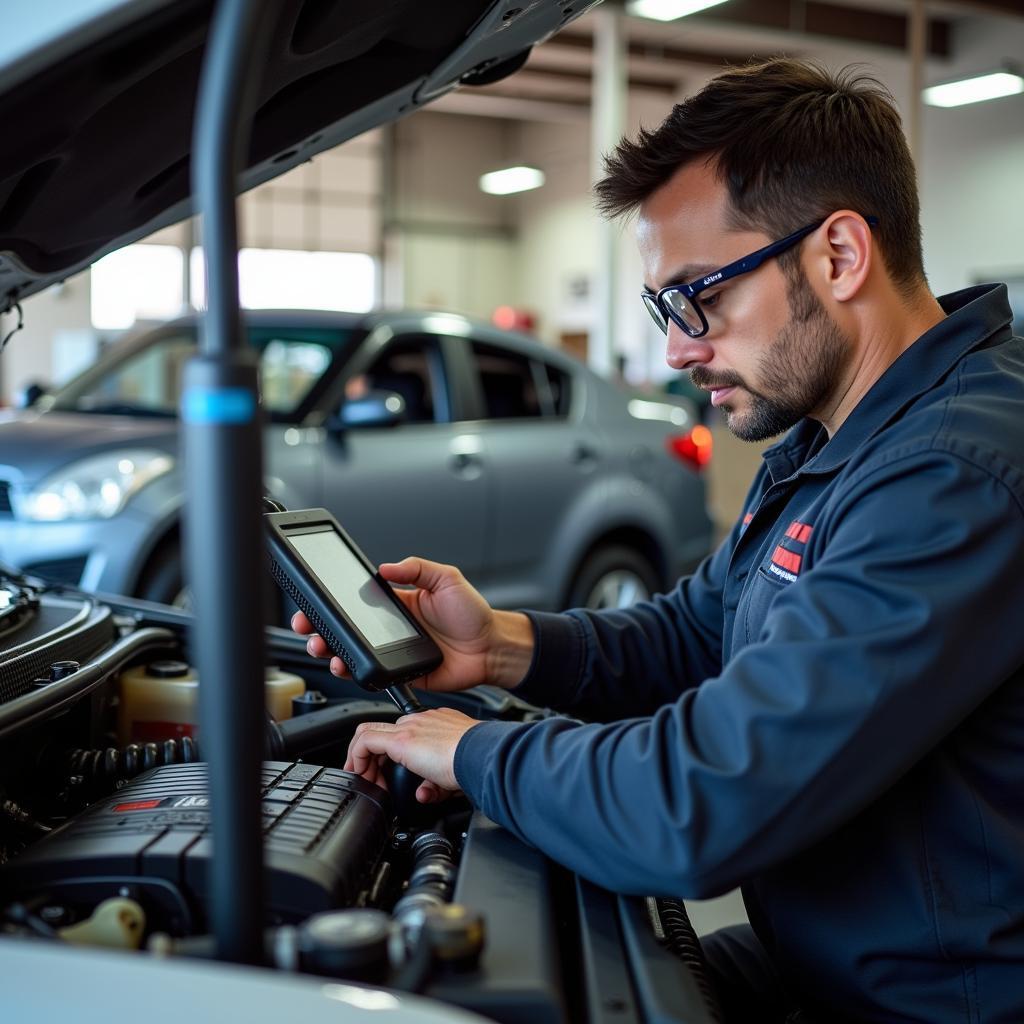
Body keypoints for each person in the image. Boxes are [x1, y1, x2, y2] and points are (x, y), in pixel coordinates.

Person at [294, 59, 1024, 1023]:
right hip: (823, 958)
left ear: (839, 255)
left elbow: (703, 798)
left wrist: (473, 756)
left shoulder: (954, 474)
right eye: (663, 309)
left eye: (699, 295)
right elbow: (697, 634)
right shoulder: (833, 437)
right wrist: (501, 646)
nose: (677, 348)